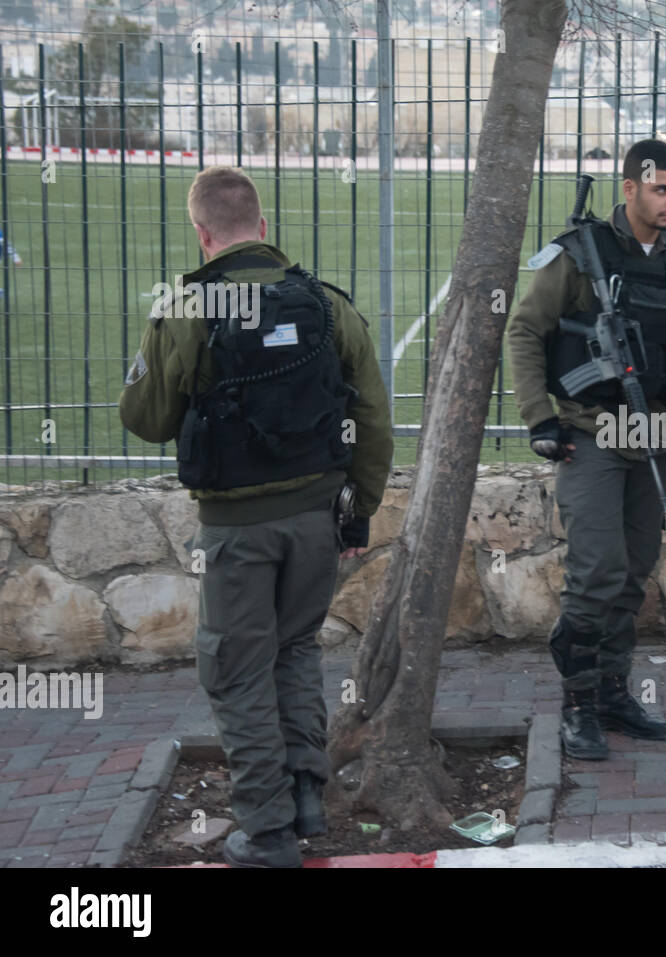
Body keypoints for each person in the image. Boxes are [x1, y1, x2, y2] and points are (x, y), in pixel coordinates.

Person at [118, 166, 392, 867]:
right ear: (263, 229)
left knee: (236, 669)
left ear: (203, 234)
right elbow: (373, 417)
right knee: (295, 648)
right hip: (317, 519)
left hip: (234, 528)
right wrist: (357, 511)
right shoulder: (324, 304)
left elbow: (145, 419)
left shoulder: (189, 307)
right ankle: (304, 793)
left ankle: (266, 831)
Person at [507, 140, 666, 760]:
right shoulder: (579, 254)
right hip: (591, 431)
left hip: (656, 436)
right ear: (629, 188)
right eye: (662, 190)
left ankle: (613, 693)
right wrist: (540, 419)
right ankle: (576, 704)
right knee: (598, 571)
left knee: (632, 573)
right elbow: (527, 331)